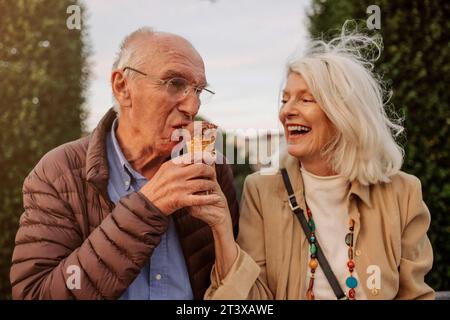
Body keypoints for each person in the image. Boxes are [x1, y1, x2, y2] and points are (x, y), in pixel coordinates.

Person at [10, 27, 239, 300]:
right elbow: (35, 294)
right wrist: (148, 207)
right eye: (175, 83)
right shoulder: (58, 172)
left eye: (199, 90)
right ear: (122, 87)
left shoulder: (213, 169)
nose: (192, 106)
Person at [203, 30, 434, 300]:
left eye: (305, 99)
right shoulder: (261, 191)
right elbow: (254, 300)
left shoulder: (403, 193)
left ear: (343, 113)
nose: (286, 111)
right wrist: (221, 228)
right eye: (285, 99)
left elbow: (415, 296)